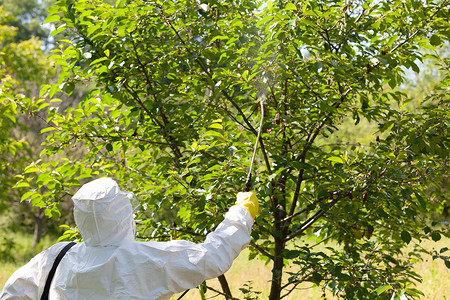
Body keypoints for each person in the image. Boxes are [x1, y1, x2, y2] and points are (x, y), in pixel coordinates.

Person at [0, 177, 259, 300]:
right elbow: (212, 257)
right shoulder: (146, 259)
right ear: (123, 214)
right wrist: (242, 213)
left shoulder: (56, 256)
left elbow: (10, 296)